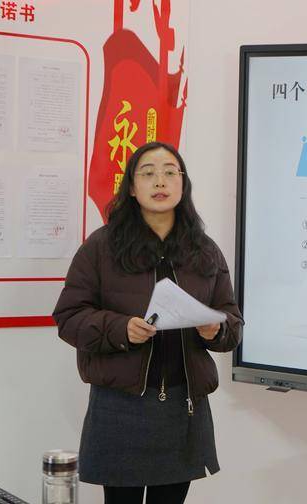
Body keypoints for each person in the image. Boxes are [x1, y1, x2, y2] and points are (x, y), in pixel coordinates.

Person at [53, 141, 243, 504]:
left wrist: (217, 329)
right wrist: (120, 328)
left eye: (170, 172)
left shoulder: (205, 250)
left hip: (182, 407)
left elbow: (231, 320)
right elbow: (69, 317)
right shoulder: (101, 247)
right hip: (120, 407)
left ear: (183, 184)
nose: (160, 181)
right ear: (131, 187)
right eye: (148, 173)